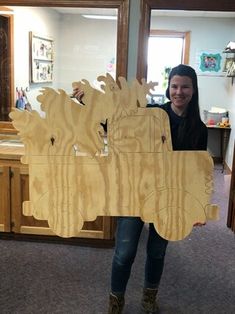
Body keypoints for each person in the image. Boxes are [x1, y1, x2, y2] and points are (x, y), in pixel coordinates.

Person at [73, 64, 208, 314]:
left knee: (157, 252)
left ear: (193, 89)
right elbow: (118, 122)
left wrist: (197, 206)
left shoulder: (198, 129)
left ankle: (149, 298)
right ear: (169, 88)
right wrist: (89, 100)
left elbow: (197, 172)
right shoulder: (154, 114)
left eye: (185, 86)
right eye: (175, 86)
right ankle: (116, 300)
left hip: (170, 197)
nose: (179, 91)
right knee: (124, 252)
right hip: (136, 190)